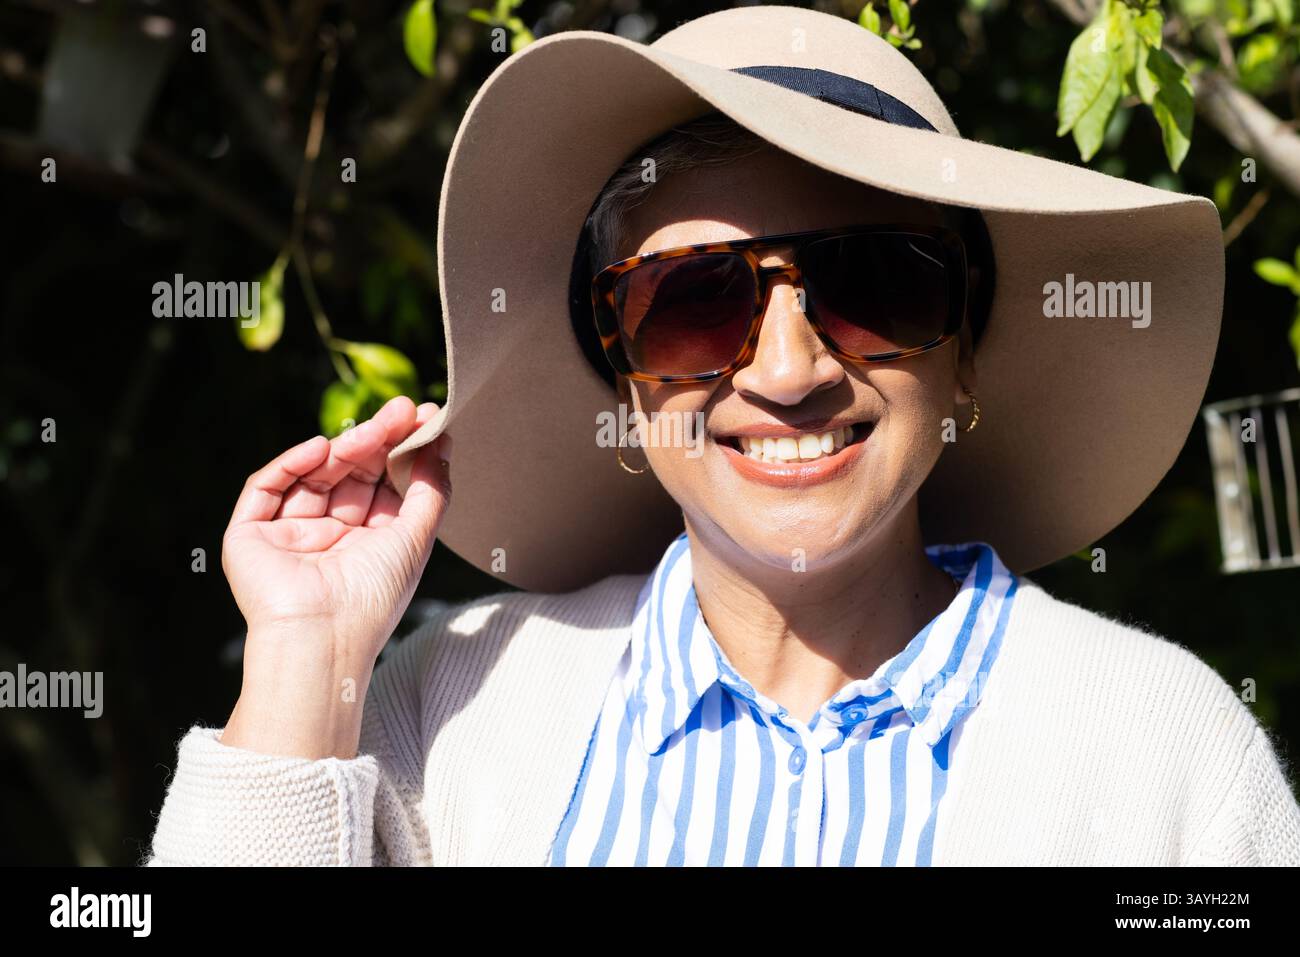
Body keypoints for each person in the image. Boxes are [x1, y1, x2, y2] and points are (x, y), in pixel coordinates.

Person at [146, 6, 1300, 866]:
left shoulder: (1163, 752)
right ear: (623, 378)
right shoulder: (447, 707)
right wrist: (308, 656)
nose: (789, 372)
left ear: (966, 355)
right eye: (694, 305)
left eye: (872, 289)